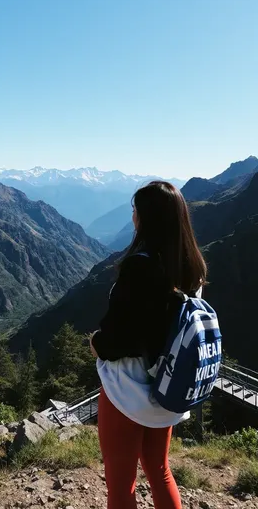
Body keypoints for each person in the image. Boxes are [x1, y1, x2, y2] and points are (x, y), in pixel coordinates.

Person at [90, 181, 207, 509]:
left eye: (135, 209)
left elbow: (119, 339)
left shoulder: (139, 266)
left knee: (121, 481)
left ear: (146, 217)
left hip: (126, 391)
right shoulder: (191, 268)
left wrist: (96, 344)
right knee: (159, 469)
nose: (132, 215)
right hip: (168, 391)